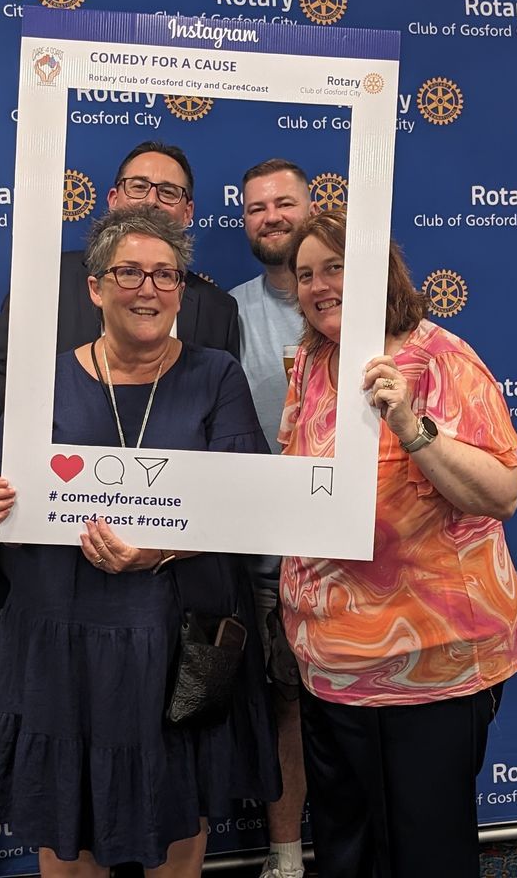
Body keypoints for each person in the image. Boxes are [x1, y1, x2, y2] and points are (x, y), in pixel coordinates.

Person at [0, 205, 279, 877]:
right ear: (95, 286)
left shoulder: (216, 374)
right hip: (62, 634)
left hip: (177, 632)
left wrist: (159, 550)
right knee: (67, 820)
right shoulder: (41, 378)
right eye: (129, 271)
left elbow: (246, 500)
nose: (148, 289)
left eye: (166, 274)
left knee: (176, 817)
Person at [278, 208, 517, 878]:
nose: (319, 284)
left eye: (334, 266)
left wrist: (412, 425)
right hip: (330, 664)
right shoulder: (310, 362)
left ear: (376, 271)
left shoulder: (440, 358)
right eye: (305, 275)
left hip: (430, 664)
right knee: (346, 845)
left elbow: (501, 494)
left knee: (424, 849)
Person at [0, 140, 243, 440]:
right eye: (138, 186)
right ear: (113, 199)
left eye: (168, 192)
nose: (151, 200)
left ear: (188, 211)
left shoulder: (219, 310)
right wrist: (53, 444)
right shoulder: (45, 278)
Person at [224, 159, 311, 878]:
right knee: (283, 707)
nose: (271, 216)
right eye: (257, 208)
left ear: (314, 209)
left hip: (351, 553)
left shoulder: (359, 306)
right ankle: (286, 857)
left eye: (285, 202)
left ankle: (366, 844)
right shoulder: (227, 312)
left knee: (358, 709)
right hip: (257, 558)